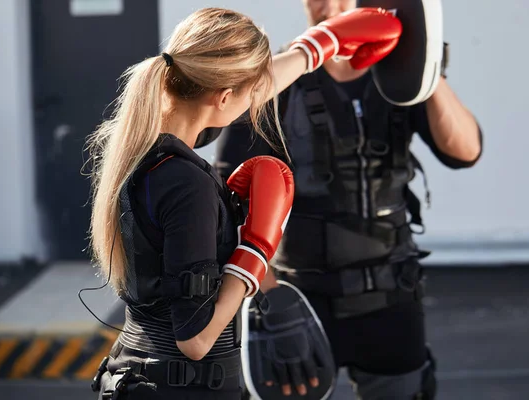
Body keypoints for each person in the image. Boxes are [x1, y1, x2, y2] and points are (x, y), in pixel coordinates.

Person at [84, 6, 395, 400]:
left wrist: (316, 46)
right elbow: (195, 340)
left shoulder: (139, 146)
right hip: (180, 389)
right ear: (225, 96)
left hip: (141, 374)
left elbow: (238, 87)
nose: (257, 102)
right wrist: (254, 254)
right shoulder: (186, 183)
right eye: (251, 94)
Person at [212, 1, 484, 399]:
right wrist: (271, 300)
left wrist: (422, 64)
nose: (329, 5)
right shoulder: (275, 82)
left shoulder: (399, 77)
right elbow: (227, 204)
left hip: (391, 295)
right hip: (300, 297)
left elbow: (465, 150)